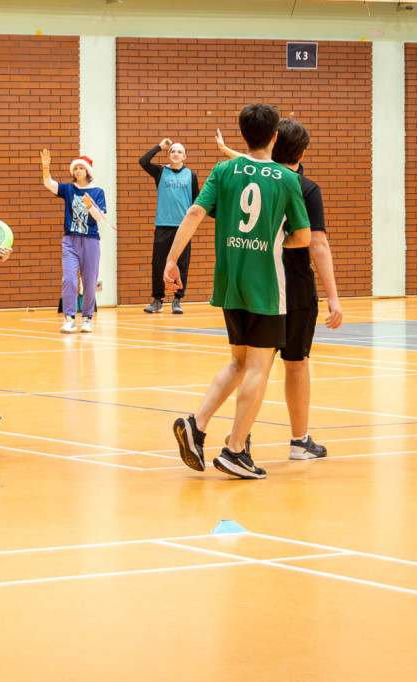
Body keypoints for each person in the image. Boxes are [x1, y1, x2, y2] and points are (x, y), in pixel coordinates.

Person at [164, 103, 310, 480]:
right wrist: (276, 241)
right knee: (258, 367)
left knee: (238, 362)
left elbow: (195, 213)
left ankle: (196, 425)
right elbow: (304, 236)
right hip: (265, 285)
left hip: (229, 281)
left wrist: (171, 261)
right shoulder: (286, 179)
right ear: (275, 137)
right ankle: (234, 451)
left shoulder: (223, 168)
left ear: (243, 135)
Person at [215, 120, 343, 459]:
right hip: (295, 288)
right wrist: (333, 297)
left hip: (253, 284)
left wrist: (230, 153)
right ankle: (299, 442)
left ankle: (240, 435)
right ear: (302, 151)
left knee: (250, 364)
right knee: (296, 363)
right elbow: (318, 243)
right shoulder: (303, 186)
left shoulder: (249, 176)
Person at [39, 150, 108, 334]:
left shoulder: (97, 192)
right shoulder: (69, 189)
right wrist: (46, 167)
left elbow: (99, 218)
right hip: (70, 240)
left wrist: (89, 205)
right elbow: (49, 184)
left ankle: (87, 318)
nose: (78, 171)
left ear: (87, 171)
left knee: (89, 280)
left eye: (81, 168)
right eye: (75, 168)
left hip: (91, 241)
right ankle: (69, 318)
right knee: (69, 279)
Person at [138, 138, 199, 314]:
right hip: (163, 225)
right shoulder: (160, 172)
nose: (176, 154)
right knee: (158, 263)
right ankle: (157, 300)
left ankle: (177, 300)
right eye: (172, 151)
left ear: (184, 157)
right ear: (168, 155)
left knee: (182, 263)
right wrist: (159, 146)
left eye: (179, 152)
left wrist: (192, 222)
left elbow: (196, 200)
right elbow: (143, 161)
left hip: (183, 227)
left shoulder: (191, 175)